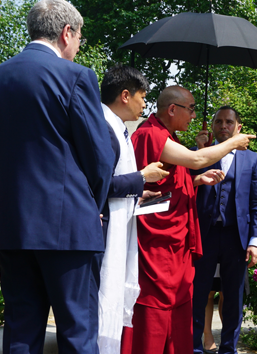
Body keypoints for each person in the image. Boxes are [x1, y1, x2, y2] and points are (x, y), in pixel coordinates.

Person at [0, 0, 112, 353]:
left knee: (21, 330)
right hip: (68, 227)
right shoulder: (77, 76)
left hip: (11, 224)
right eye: (80, 37)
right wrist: (92, 207)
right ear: (67, 32)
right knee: (77, 332)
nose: (78, 46)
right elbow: (99, 157)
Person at [127, 86, 255, 354]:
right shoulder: (151, 134)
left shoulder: (167, 135)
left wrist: (194, 181)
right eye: (191, 108)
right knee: (158, 307)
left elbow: (167, 185)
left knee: (181, 306)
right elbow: (197, 159)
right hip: (158, 246)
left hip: (177, 243)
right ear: (172, 109)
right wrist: (233, 141)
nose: (194, 116)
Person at [97, 65, 170, 354]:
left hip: (120, 220)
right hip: (103, 234)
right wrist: (142, 177)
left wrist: (139, 194)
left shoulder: (117, 126)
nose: (145, 104)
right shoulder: (103, 126)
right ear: (125, 95)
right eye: (142, 97)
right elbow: (99, 185)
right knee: (103, 303)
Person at [191, 106, 257, 354]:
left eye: (229, 122)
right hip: (204, 235)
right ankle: (194, 348)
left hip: (236, 237)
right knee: (198, 293)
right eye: (219, 122)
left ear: (238, 127)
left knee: (233, 297)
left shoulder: (252, 159)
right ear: (212, 126)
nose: (224, 126)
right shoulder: (197, 154)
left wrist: (256, 240)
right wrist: (201, 151)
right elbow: (186, 183)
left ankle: (228, 350)